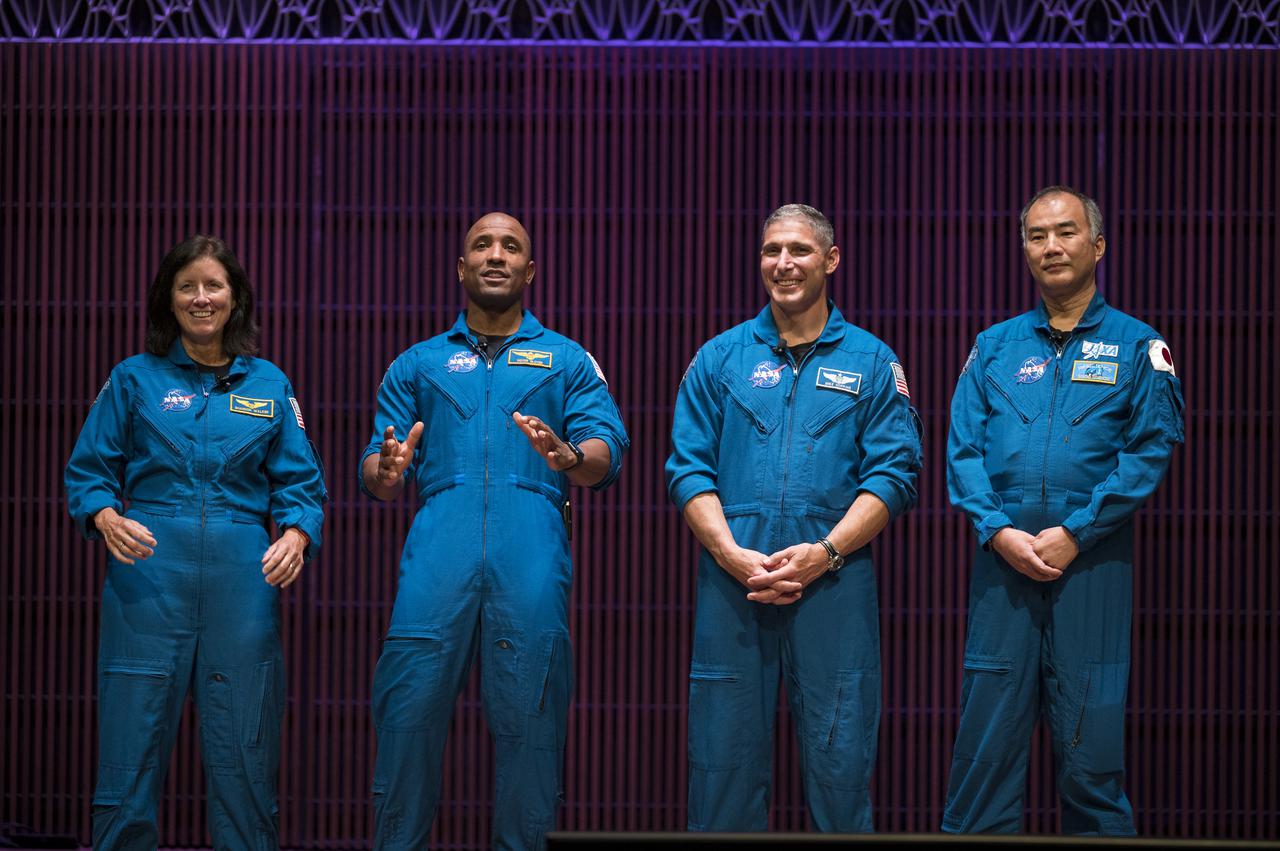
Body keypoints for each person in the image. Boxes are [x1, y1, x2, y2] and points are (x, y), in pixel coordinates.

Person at [362, 212, 629, 850]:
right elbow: (376, 464)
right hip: (436, 558)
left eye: (511, 246)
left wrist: (570, 458)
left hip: (530, 553)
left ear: (530, 271)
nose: (495, 255)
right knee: (405, 724)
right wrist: (389, 469)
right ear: (461, 267)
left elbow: (608, 449)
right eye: (481, 244)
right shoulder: (417, 363)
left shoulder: (566, 359)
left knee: (531, 733)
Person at [64, 235, 327, 849]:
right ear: (169, 298)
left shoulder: (269, 384)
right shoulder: (133, 379)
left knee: (245, 754)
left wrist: (295, 531)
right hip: (149, 576)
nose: (201, 297)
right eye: (188, 287)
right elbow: (88, 471)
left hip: (242, 581)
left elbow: (302, 483)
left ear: (235, 299)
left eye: (214, 286)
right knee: (129, 751)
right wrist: (104, 516)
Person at [665, 203, 922, 832]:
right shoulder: (719, 359)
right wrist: (730, 554)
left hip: (835, 585)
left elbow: (894, 474)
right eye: (771, 250)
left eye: (800, 250)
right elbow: (688, 468)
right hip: (735, 584)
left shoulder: (870, 362)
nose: (783, 263)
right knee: (720, 776)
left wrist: (826, 553)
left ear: (831, 261)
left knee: (841, 776)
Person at [941, 186, 1185, 834]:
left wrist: (1077, 531)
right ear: (1024, 250)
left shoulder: (1140, 348)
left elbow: (1148, 452)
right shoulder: (992, 347)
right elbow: (960, 449)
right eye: (1036, 235)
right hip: (1003, 571)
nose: (1050, 246)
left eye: (1066, 232)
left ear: (1097, 245)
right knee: (983, 757)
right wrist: (996, 531)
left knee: (1090, 757)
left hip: (1093, 568)